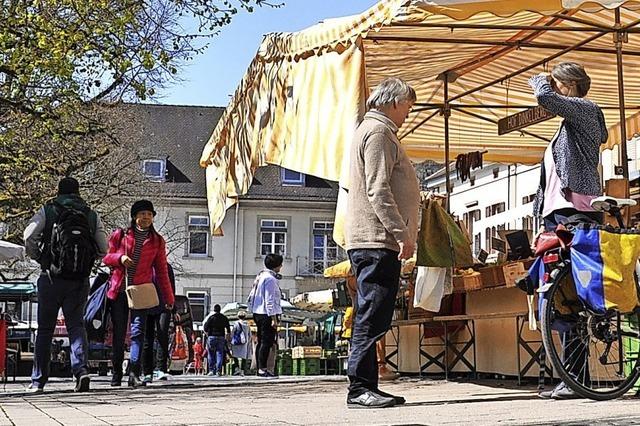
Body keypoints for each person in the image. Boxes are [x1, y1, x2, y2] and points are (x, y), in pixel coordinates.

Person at [529, 62, 607, 400]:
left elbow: (544, 96)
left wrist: (540, 80)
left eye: (557, 82)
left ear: (571, 85)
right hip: (556, 214)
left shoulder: (587, 111)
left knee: (572, 296)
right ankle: (572, 378)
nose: (552, 86)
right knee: (559, 299)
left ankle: (575, 378)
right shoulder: (567, 124)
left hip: (577, 211)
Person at [344, 77, 420, 408]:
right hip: (376, 239)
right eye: (407, 106)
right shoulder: (378, 133)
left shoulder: (371, 130)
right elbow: (378, 188)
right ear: (392, 102)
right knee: (372, 312)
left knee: (372, 311)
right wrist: (401, 233)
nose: (408, 113)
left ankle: (365, 385)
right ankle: (359, 388)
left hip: (373, 238)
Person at [23, 177, 109, 393]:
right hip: (78, 280)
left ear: (58, 191)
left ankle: (38, 381)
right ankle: (80, 371)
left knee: (44, 330)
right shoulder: (90, 214)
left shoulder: (49, 209)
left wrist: (40, 257)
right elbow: (103, 247)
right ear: (78, 192)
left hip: (50, 277)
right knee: (76, 326)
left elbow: (28, 235)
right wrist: (89, 260)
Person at [102, 199, 175, 388]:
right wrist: (120, 258)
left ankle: (134, 373)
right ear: (134, 216)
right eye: (142, 214)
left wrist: (169, 298)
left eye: (149, 214)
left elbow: (161, 270)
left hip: (141, 290)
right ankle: (117, 373)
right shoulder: (120, 235)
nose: (146, 218)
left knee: (137, 333)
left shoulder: (157, 241)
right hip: (119, 290)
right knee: (119, 333)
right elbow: (107, 258)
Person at [248, 253, 283, 377]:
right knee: (266, 342)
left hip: (258, 311)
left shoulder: (261, 275)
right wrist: (273, 318)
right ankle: (262, 368)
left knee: (262, 340)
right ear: (276, 265)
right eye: (280, 264)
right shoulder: (270, 279)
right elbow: (270, 300)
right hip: (266, 313)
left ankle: (260, 367)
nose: (281, 266)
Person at [142, 263, 176, 384]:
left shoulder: (167, 267)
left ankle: (161, 368)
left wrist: (173, 307)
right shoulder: (145, 266)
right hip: (147, 305)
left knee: (162, 334)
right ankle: (147, 371)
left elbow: (172, 286)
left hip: (164, 305)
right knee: (147, 339)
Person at [202, 304, 230, 376]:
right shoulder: (224, 318)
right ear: (220, 310)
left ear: (214, 310)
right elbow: (228, 329)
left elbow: (205, 328)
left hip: (212, 337)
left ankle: (211, 370)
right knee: (220, 353)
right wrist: (227, 338)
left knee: (211, 354)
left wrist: (208, 335)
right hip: (221, 337)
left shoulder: (211, 318)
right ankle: (218, 371)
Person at [231, 310, 252, 375]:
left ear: (238, 316)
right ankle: (242, 370)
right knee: (244, 357)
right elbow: (250, 335)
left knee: (235, 355)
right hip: (245, 342)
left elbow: (232, 332)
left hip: (236, 342)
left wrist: (231, 339)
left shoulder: (236, 324)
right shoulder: (247, 324)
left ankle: (237, 368)